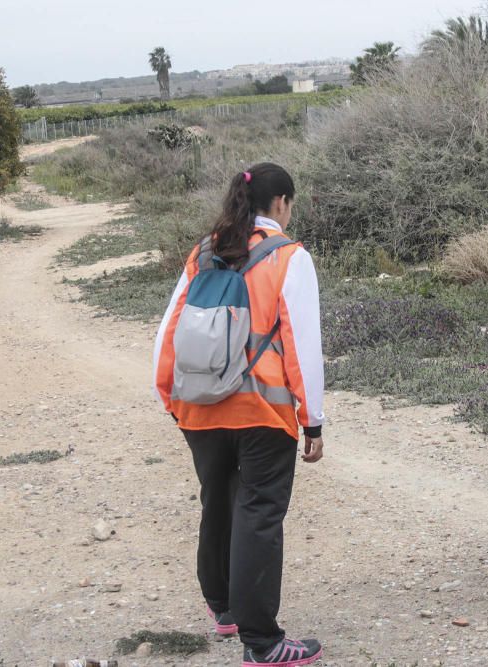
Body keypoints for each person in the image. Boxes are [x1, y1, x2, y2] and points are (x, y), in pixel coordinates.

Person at [153, 162, 325, 665]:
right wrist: (312, 419)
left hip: (197, 405)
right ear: (282, 204)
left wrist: (170, 397)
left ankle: (223, 609)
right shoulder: (289, 256)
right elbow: (302, 346)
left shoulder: (203, 251)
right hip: (262, 408)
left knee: (218, 500)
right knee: (260, 512)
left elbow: (170, 328)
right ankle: (263, 642)